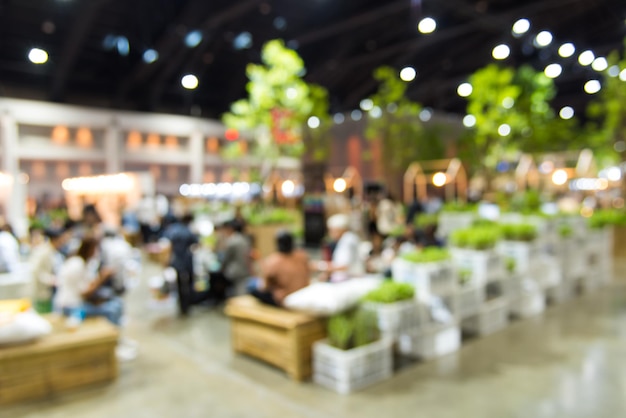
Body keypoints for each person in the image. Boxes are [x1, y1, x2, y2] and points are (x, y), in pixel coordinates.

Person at [54, 237, 123, 326]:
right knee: (113, 310)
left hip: (74, 302)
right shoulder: (78, 265)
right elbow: (85, 293)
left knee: (116, 301)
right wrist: (102, 278)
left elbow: (88, 285)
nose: (96, 253)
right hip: (72, 306)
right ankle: (114, 337)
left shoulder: (80, 262)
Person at [251, 230, 309, 306]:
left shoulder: (274, 260)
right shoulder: (302, 256)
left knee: (251, 284)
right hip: (302, 292)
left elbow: (264, 286)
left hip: (284, 299)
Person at [161, 214, 198, 315]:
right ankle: (188, 303)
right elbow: (196, 244)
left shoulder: (173, 230)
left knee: (179, 283)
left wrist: (167, 260)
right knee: (189, 282)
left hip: (177, 260)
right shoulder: (188, 231)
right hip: (187, 260)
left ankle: (181, 305)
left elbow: (168, 246)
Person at [29, 227, 69, 313]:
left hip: (51, 291)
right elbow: (36, 272)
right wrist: (51, 280)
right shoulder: (42, 252)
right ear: (55, 239)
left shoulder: (53, 252)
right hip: (42, 292)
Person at [317, 213, 364, 282]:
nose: (330, 233)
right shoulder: (346, 239)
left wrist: (320, 266)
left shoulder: (348, 240)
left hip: (350, 281)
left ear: (341, 229)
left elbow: (344, 266)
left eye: (332, 230)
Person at [219, 219, 251, 297]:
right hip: (245, 269)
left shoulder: (232, 241)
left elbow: (226, 259)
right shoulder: (245, 239)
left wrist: (221, 268)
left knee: (236, 293)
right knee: (242, 291)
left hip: (234, 271)